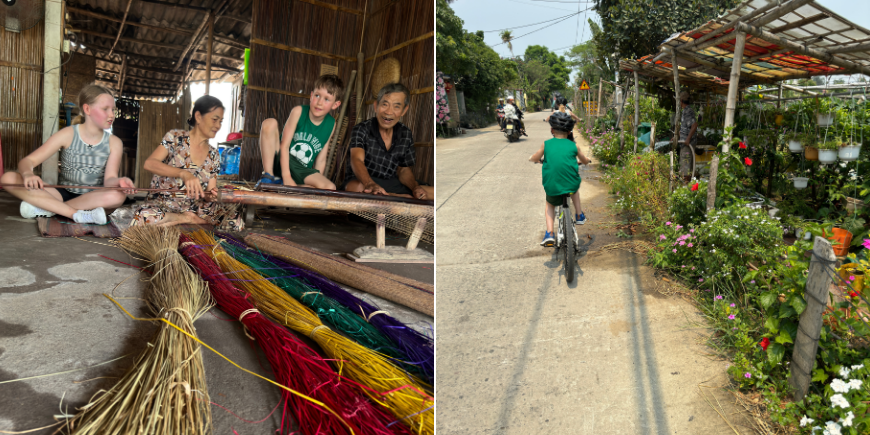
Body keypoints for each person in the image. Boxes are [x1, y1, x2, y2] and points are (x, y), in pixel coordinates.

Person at [0, 84, 133, 224]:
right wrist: (28, 174)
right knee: (8, 178)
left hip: (93, 198)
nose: (112, 114)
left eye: (113, 109)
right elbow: (28, 161)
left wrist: (119, 182)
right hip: (60, 194)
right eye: (105, 109)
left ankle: (49, 208)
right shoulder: (68, 134)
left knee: (117, 196)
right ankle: (75, 214)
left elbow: (109, 180)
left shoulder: (114, 142)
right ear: (87, 109)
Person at [133, 95, 243, 230]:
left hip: (195, 208)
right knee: (142, 217)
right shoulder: (175, 138)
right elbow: (149, 163)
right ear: (198, 116)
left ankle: (184, 221)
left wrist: (213, 196)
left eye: (220, 121)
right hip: (163, 206)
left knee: (236, 221)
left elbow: (209, 193)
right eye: (214, 119)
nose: (218, 126)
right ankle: (185, 219)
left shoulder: (214, 154)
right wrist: (183, 173)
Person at [343, 82, 433, 200]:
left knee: (430, 192)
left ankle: (392, 197)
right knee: (357, 188)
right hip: (363, 180)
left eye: (396, 106)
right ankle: (396, 198)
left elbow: (403, 169)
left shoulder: (405, 133)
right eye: (385, 104)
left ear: (404, 110)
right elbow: (357, 159)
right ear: (376, 106)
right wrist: (370, 184)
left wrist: (415, 187)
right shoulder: (361, 129)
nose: (389, 112)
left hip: (391, 183)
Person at [258, 74, 343, 189]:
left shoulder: (331, 124)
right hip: (283, 160)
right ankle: (269, 177)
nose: (320, 102)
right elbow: (284, 146)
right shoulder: (298, 112)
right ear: (311, 96)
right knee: (269, 123)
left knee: (329, 187)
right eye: (317, 96)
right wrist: (286, 175)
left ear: (335, 104)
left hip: (302, 169)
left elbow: (321, 159)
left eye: (327, 99)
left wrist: (317, 181)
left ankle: (286, 186)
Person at [528, 112, 591, 247]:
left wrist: (533, 159)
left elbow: (535, 157)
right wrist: (587, 161)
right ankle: (579, 215)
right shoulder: (574, 146)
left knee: (550, 205)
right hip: (571, 184)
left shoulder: (546, 144)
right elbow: (584, 160)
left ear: (552, 130)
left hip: (552, 186)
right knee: (574, 190)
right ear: (569, 132)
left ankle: (550, 233)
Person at [677, 90, 698, 183]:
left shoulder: (687, 111)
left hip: (687, 145)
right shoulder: (686, 111)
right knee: (686, 168)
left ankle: (685, 189)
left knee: (685, 170)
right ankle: (686, 188)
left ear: (681, 100)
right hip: (685, 143)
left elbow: (694, 125)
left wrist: (687, 139)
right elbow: (687, 127)